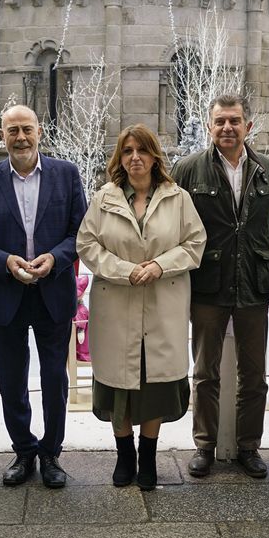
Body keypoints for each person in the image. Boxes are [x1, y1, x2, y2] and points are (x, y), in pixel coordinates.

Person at [0, 105, 87, 488]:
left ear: (39, 132)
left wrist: (55, 257)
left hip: (53, 291)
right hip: (6, 293)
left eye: (27, 129)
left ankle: (51, 453)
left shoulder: (66, 175)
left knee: (54, 379)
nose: (20, 137)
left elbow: (81, 233)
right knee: (11, 379)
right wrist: (5, 261)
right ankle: (23, 450)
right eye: (13, 130)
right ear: (2, 135)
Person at [77, 124, 206, 490]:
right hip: (117, 306)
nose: (135, 158)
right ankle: (124, 455)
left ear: (154, 157)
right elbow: (87, 245)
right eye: (128, 151)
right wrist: (125, 270)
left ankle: (147, 455)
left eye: (142, 151)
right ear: (120, 157)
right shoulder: (104, 198)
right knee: (120, 386)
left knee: (154, 386)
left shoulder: (176, 197)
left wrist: (159, 266)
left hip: (162, 305)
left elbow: (195, 242)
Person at [171, 94, 269, 479]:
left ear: (248, 126)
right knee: (205, 372)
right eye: (219, 121)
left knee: (255, 374)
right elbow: (173, 224)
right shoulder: (187, 169)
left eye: (234, 121)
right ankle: (204, 444)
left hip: (253, 283)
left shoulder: (267, 170)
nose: (227, 128)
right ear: (209, 126)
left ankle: (249, 446)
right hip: (207, 284)